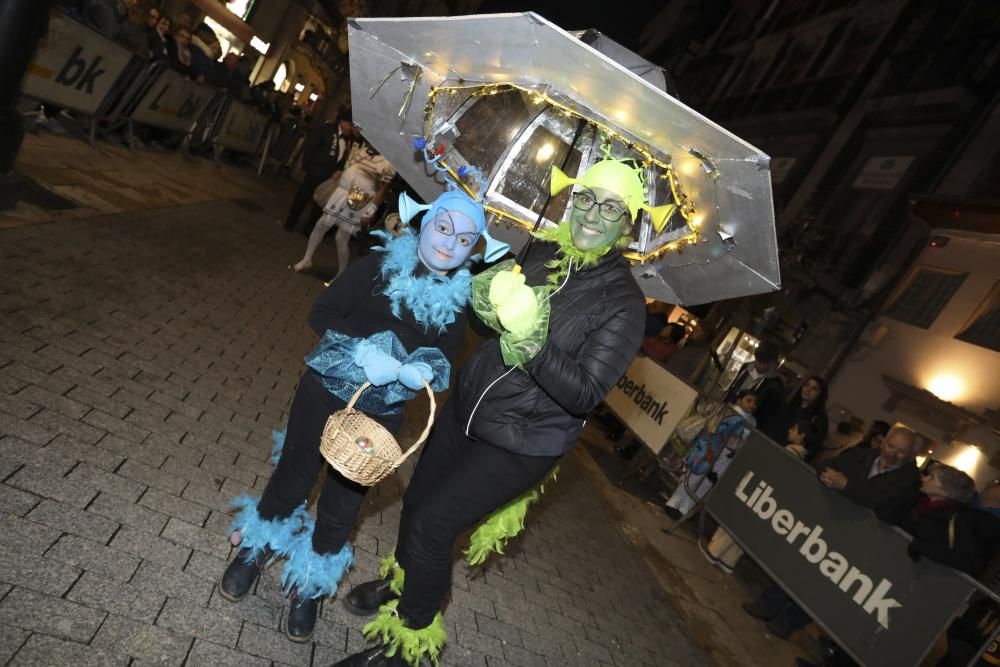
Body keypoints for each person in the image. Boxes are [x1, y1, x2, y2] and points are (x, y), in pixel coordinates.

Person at [334, 157, 671, 667]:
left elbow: (583, 393)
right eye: (585, 199)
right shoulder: (540, 249)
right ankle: (401, 582)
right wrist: (487, 297)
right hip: (467, 408)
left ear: (626, 224)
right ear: (572, 201)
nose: (593, 215)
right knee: (417, 502)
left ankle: (410, 642)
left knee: (431, 525)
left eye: (610, 208)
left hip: (520, 441)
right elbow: (483, 321)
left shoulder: (624, 304)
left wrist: (531, 338)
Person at [217, 188, 489, 643]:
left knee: (344, 505)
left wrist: (420, 371)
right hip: (323, 392)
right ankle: (257, 547)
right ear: (425, 224)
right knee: (294, 474)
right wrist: (360, 349)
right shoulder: (376, 268)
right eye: (443, 229)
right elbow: (321, 312)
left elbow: (442, 368)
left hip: (379, 417)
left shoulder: (456, 305)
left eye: (464, 240)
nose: (448, 244)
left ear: (472, 250)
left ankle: (309, 582)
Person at [743, 424, 922, 639]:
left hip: (860, 543)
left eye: (901, 451)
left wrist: (846, 486)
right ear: (883, 442)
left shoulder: (909, 483)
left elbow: (885, 507)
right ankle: (767, 605)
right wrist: (828, 476)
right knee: (796, 566)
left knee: (822, 587)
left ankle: (788, 622)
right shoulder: (860, 455)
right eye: (891, 446)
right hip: (830, 526)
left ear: (911, 455)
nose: (893, 454)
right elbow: (826, 465)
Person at [292, 139, 395, 277]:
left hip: (359, 199)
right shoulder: (362, 150)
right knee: (321, 224)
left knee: (341, 237)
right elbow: (352, 168)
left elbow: (382, 192)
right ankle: (307, 259)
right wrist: (341, 173)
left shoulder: (386, 163)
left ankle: (341, 274)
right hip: (341, 192)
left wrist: (371, 211)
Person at [664, 390, 757, 520]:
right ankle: (674, 503)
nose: (752, 405)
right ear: (739, 400)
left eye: (754, 403)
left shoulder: (752, 422)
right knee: (695, 476)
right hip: (712, 449)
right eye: (748, 400)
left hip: (727, 456)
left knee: (708, 482)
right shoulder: (726, 410)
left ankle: (685, 509)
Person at [284, 108, 355, 233]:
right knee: (302, 199)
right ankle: (290, 223)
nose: (351, 128)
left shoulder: (348, 140)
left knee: (319, 206)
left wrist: (339, 171)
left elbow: (342, 159)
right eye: (351, 125)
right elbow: (310, 147)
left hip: (329, 179)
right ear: (343, 122)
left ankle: (307, 230)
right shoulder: (326, 129)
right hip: (314, 172)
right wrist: (306, 167)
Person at [759, 375, 829, 460]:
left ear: (820, 395)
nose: (808, 390)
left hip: (784, 457)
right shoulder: (788, 406)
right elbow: (770, 425)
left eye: (814, 389)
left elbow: (811, 449)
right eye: (806, 385)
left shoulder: (819, 419)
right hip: (765, 446)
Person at [724, 340, 785, 426]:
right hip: (727, 412)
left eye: (765, 363)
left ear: (772, 363)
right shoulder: (746, 368)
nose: (760, 366)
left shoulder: (775, 385)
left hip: (746, 423)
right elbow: (734, 388)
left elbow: (766, 413)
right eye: (758, 361)